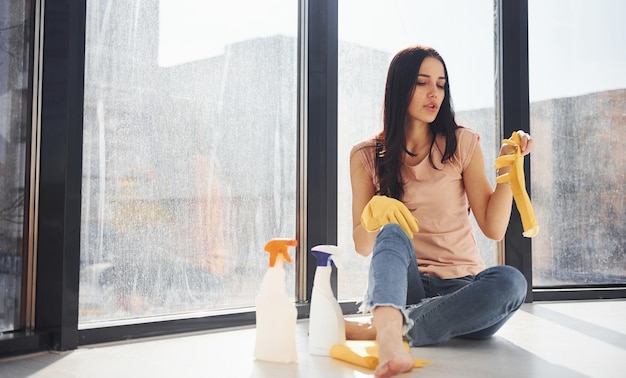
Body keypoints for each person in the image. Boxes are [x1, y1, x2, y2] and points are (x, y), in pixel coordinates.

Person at [345, 45, 531, 378]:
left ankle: (389, 327)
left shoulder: (462, 143)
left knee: (512, 282)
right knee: (391, 230)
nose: (435, 93)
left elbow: (493, 227)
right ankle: (392, 341)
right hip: (406, 286)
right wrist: (374, 215)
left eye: (441, 84)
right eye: (422, 82)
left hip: (465, 294)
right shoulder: (365, 156)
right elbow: (362, 245)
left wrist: (508, 171)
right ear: (400, 87)